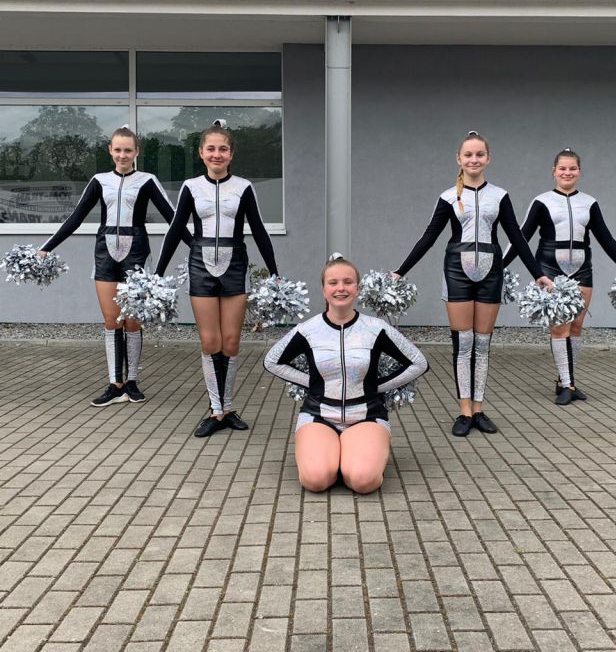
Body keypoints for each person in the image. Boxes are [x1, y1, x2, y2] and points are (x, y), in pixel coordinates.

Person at [393, 131, 552, 437]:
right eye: (468, 154)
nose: (474, 159)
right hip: (457, 269)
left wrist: (538, 274)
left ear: (488, 159)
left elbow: (517, 238)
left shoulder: (500, 196)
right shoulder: (448, 197)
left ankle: (479, 408)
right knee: (463, 342)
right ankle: (464, 411)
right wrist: (401, 270)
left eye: (480, 154)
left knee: (482, 343)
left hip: (492, 270)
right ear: (459, 159)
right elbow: (429, 237)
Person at [155, 119, 279, 437]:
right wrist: (157, 272)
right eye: (210, 148)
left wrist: (275, 272)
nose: (217, 154)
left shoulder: (244, 187)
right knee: (211, 342)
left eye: (223, 149)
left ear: (231, 154)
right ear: (201, 152)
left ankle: (227, 407)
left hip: (235, 263)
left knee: (232, 341)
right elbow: (175, 230)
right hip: (200, 264)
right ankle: (216, 410)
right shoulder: (191, 187)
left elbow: (259, 230)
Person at [264, 254, 428, 493]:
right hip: (319, 415)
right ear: (324, 290)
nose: (341, 288)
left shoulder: (376, 328)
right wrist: (312, 383)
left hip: (366, 416)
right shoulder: (308, 329)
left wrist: (378, 386)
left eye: (348, 282)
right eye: (333, 283)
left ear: (357, 289)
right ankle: (334, 457)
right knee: (315, 480)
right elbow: (272, 360)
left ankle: (354, 458)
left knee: (363, 481)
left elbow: (418, 362)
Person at [38, 126, 175, 407]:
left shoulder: (147, 180)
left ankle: (132, 381)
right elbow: (76, 217)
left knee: (132, 320)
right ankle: (115, 384)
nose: (123, 155)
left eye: (128, 150)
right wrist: (47, 247)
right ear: (110, 150)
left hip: (136, 252)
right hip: (105, 252)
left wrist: (197, 245)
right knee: (112, 321)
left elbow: (174, 218)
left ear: (136, 152)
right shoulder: (99, 181)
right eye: (118, 150)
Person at [504, 148, 616, 405]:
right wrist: (500, 265)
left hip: (582, 269)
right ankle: (568, 385)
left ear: (579, 171)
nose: (567, 173)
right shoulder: (542, 201)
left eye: (572, 168)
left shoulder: (589, 202)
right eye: (562, 168)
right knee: (560, 327)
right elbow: (521, 237)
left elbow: (606, 239)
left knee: (576, 326)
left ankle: (565, 381)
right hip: (550, 269)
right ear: (554, 171)